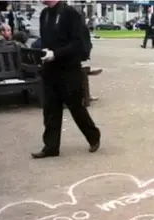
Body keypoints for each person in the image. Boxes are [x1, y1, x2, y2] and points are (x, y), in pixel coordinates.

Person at [32, 0, 100, 159]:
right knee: (50, 109)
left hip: (69, 69)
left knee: (76, 107)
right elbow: (46, 40)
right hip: (50, 69)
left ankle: (93, 136)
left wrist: (56, 53)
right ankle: (51, 146)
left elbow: (78, 43)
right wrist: (44, 52)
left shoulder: (70, 13)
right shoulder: (45, 14)